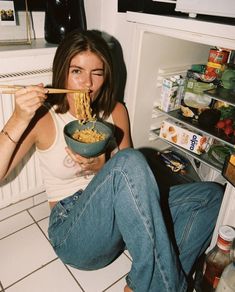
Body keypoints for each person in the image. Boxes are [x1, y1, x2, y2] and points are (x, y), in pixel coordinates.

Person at [0, 29, 223, 292]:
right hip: (74, 231)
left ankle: (142, 284)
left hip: (123, 225)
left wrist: (102, 166)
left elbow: (132, 175)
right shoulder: (44, 117)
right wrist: (18, 118)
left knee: (211, 196)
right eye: (76, 71)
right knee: (128, 160)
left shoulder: (117, 110)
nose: (87, 84)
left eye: (97, 73)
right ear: (61, 72)